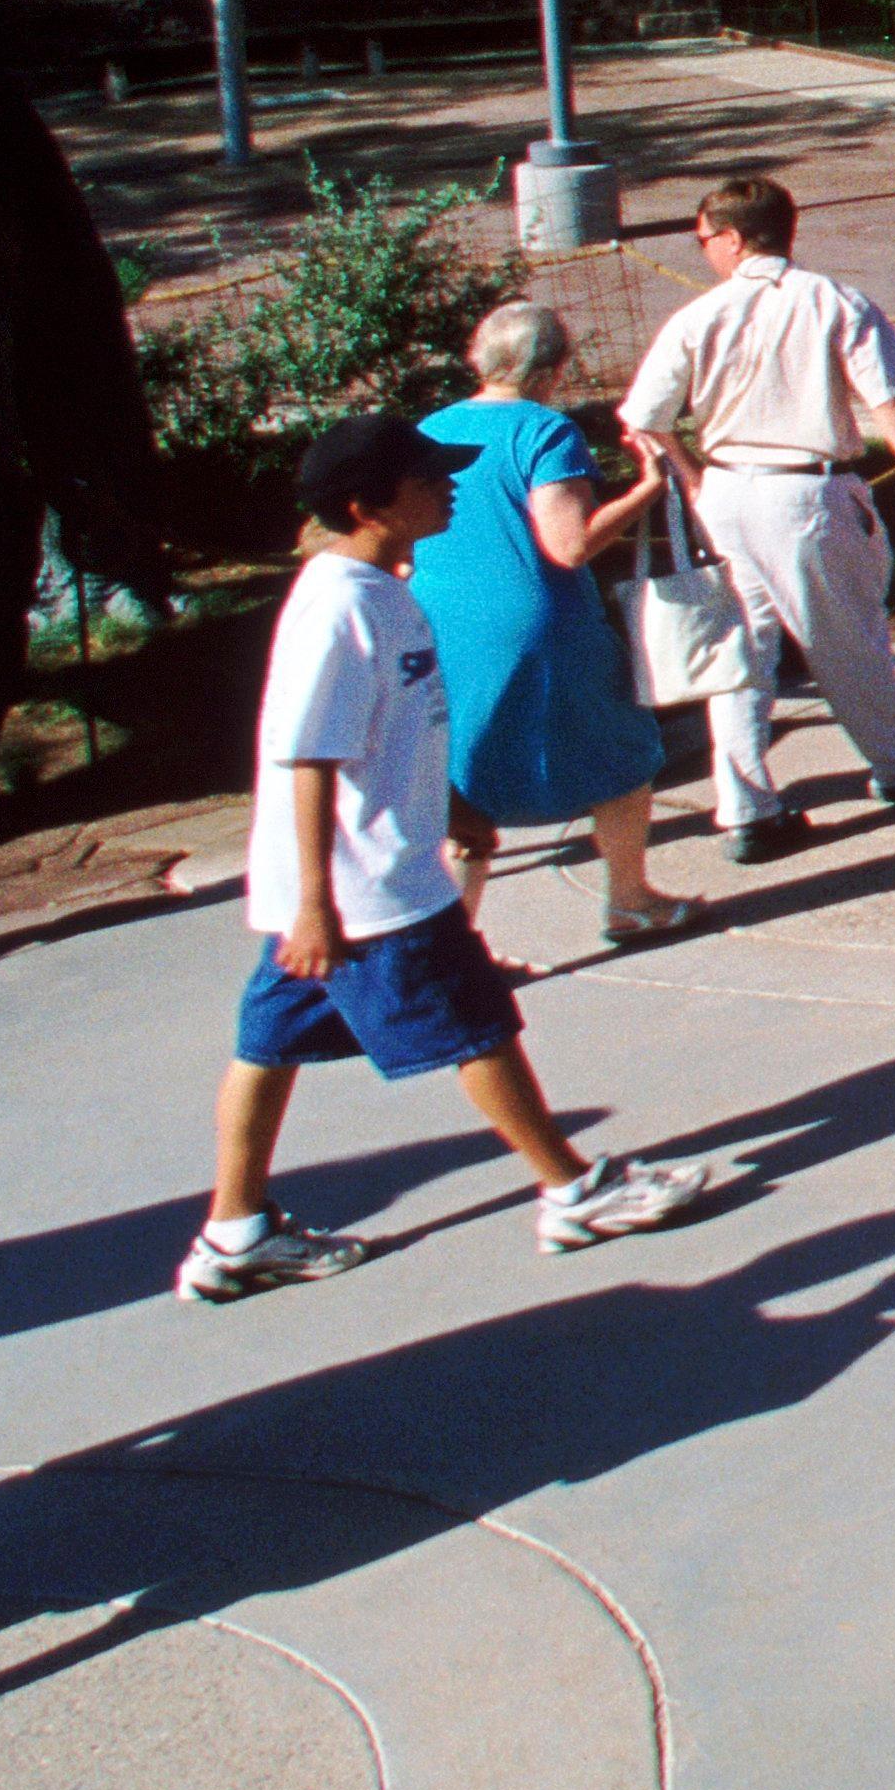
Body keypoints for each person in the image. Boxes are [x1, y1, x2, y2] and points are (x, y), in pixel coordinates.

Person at [178, 414, 736, 1305]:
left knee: (266, 1046)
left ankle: (234, 1233)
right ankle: (574, 1191)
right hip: (367, 892)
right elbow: (308, 760)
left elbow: (396, 731)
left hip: (349, 882)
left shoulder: (384, 586)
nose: (451, 487)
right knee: (480, 1027)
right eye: (429, 478)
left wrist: (460, 803)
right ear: (369, 506)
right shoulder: (338, 608)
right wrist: (320, 904)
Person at [617, 176, 895, 863]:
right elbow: (889, 397)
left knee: (740, 651)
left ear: (735, 239)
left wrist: (691, 476)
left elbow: (643, 418)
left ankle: (745, 804)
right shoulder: (834, 301)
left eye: (705, 238)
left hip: (727, 493)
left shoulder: (696, 318)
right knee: (844, 638)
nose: (703, 249)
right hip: (806, 494)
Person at [422, 300, 697, 953]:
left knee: (465, 778)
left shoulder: (431, 427)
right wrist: (646, 492)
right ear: (549, 369)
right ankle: (630, 900)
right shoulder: (545, 432)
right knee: (622, 754)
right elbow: (568, 545)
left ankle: (451, 946)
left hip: (440, 621)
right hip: (536, 624)